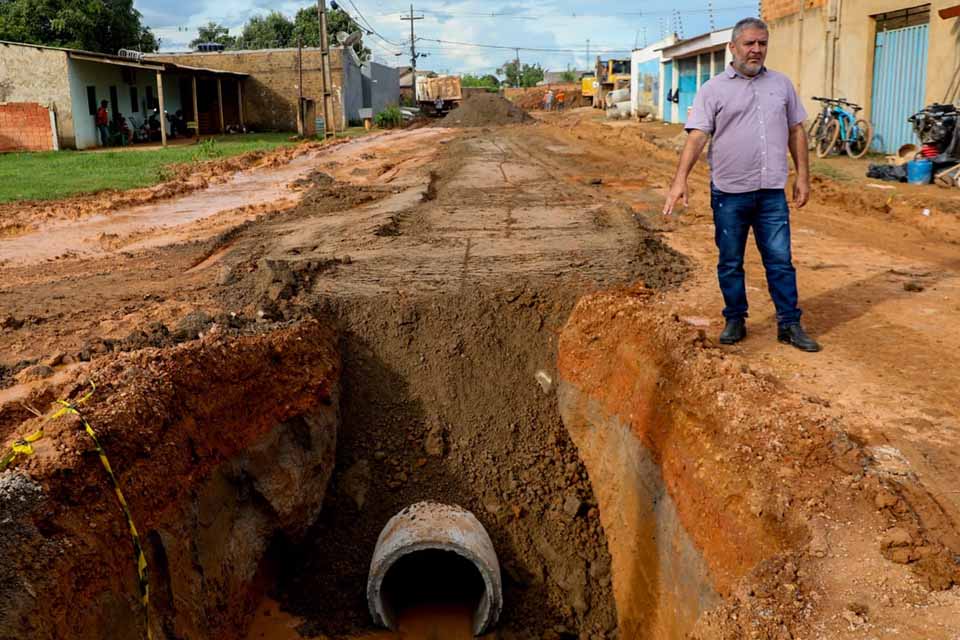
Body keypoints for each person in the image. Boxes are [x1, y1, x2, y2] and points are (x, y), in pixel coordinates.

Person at [663, 17, 820, 352]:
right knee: (731, 260)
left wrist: (803, 176)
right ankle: (735, 318)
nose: (756, 50)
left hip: (771, 192)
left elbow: (796, 130)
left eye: (762, 43)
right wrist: (680, 180)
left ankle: (789, 324)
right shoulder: (713, 89)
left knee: (779, 259)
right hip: (729, 193)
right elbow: (697, 137)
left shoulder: (781, 84)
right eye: (749, 43)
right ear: (732, 47)